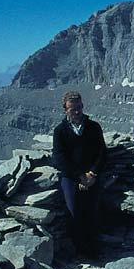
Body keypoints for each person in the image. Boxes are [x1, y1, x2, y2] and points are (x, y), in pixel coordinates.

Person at [52, 90, 107, 259]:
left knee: (92, 210)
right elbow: (59, 158)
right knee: (74, 211)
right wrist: (80, 176)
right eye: (72, 109)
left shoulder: (93, 127)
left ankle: (93, 249)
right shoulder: (60, 131)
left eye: (79, 107)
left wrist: (92, 173)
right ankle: (79, 250)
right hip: (71, 177)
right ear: (65, 110)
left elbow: (102, 152)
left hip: (92, 175)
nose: (76, 112)